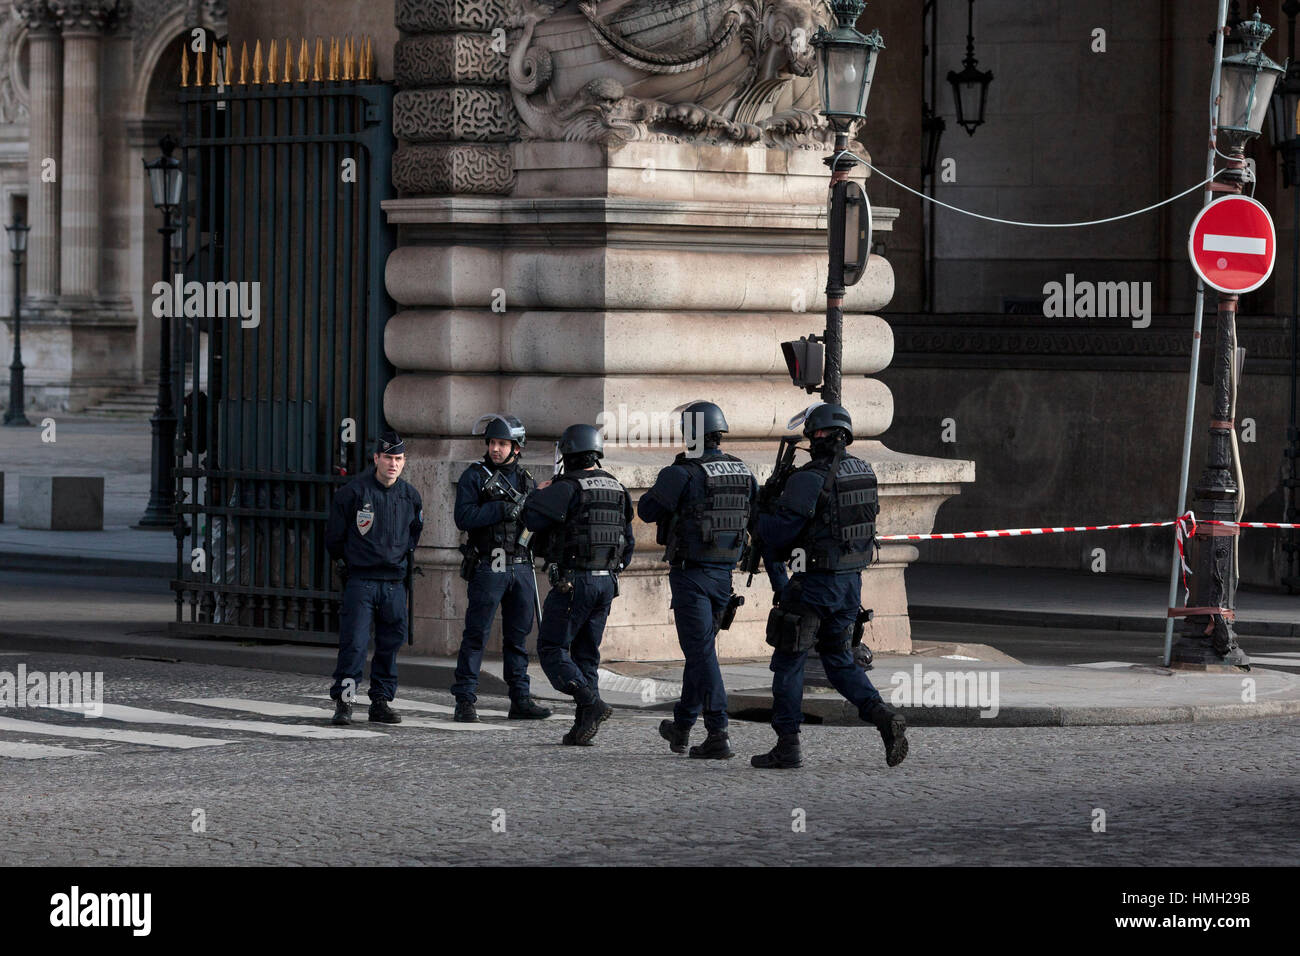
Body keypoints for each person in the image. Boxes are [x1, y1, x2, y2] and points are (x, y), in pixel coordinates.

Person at [751, 403, 908, 769]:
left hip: (815, 586)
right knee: (838, 660)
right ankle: (883, 716)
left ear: (818, 435)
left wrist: (759, 515)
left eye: (811, 434)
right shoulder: (863, 472)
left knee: (789, 663)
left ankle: (787, 745)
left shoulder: (809, 478)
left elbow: (780, 532)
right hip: (850, 584)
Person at [637, 401, 757, 759]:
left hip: (692, 575)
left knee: (702, 652)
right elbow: (756, 516)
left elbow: (646, 511)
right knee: (700, 650)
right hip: (725, 575)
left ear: (691, 435)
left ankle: (718, 730)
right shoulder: (741, 471)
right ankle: (683, 724)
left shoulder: (683, 473)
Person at [521, 423, 635, 746]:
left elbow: (531, 518)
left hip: (574, 582)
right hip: (607, 583)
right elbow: (628, 543)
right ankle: (584, 725)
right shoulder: (617, 487)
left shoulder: (566, 487)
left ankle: (590, 702)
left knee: (552, 649)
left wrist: (540, 492)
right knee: (587, 654)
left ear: (568, 454)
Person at [451, 413, 552, 722]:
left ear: (516, 448)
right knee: (476, 635)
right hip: (489, 564)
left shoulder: (525, 480)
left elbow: (535, 525)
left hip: (520, 565)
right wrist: (501, 508)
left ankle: (520, 698)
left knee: (518, 638)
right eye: (493, 443)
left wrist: (539, 501)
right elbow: (464, 518)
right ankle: (465, 699)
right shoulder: (475, 476)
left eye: (503, 444)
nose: (496, 449)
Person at [325, 430, 424, 725]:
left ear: (404, 462)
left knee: (389, 646)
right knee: (354, 644)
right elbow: (334, 539)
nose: (393, 464)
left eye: (398, 459)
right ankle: (344, 703)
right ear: (376, 458)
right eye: (388, 458)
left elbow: (413, 535)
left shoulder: (410, 496)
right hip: (362, 580)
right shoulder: (353, 493)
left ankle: (380, 701)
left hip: (394, 582)